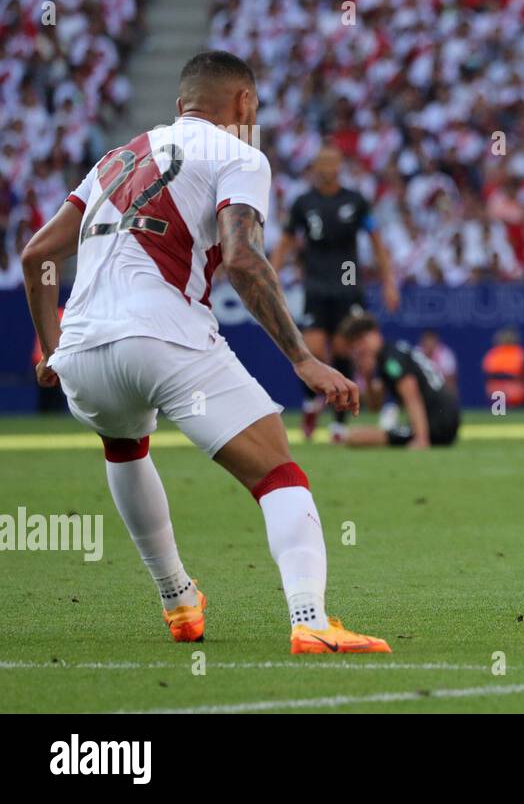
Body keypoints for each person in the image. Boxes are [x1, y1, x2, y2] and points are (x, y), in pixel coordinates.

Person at [20, 50, 391, 653]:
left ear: (180, 107)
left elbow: (37, 255)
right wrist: (303, 358)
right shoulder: (241, 155)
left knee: (124, 446)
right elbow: (242, 257)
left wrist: (52, 346)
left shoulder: (116, 158)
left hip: (83, 355)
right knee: (278, 470)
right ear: (244, 104)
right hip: (163, 335)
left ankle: (179, 601)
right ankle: (310, 621)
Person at [272, 143, 400, 440]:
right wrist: (271, 275)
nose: (327, 168)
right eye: (322, 162)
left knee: (344, 351)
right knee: (312, 349)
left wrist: (389, 282)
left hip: (348, 284)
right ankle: (310, 402)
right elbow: (287, 242)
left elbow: (378, 242)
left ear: (340, 166)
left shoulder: (356, 201)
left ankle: (339, 424)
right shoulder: (303, 202)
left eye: (333, 162)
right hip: (316, 286)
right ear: (315, 167)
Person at [333, 313, 460, 448]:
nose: (358, 350)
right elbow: (374, 407)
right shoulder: (390, 354)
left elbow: (412, 395)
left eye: (358, 343)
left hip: (436, 424)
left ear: (371, 336)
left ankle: (420, 436)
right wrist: (368, 378)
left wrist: (421, 439)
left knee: (355, 437)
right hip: (443, 420)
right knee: (356, 436)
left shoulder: (391, 359)